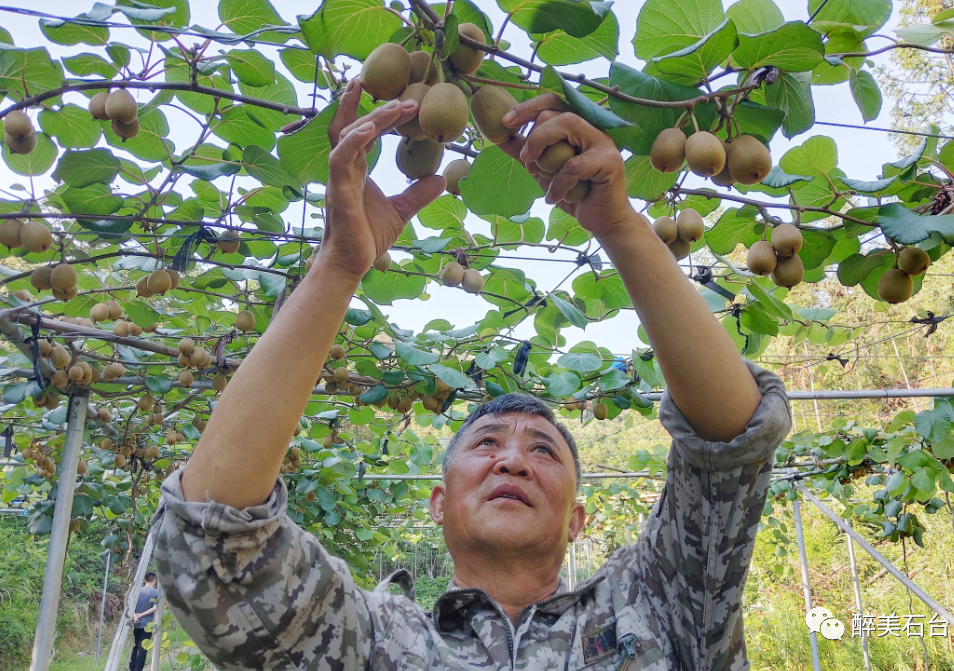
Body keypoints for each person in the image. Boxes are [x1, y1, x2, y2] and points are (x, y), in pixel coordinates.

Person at [152, 80, 792, 670]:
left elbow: (731, 444)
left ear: (577, 521)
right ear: (437, 503)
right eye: (487, 444)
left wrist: (620, 224)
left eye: (542, 451)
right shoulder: (369, 641)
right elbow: (214, 543)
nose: (513, 462)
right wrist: (339, 267)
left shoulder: (652, 612)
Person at [129, 572, 158, 671]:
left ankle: (132, 667)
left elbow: (130, 605)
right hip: (147, 624)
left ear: (144, 580)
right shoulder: (156, 593)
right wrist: (141, 615)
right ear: (154, 580)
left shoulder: (137, 591)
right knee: (143, 648)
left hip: (135, 623)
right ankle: (138, 669)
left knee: (134, 646)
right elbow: (155, 608)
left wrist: (135, 616)